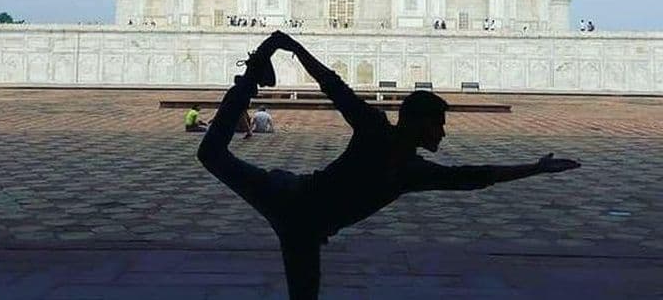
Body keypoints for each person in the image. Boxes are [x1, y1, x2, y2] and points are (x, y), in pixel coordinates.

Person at [197, 31, 581, 299]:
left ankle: (254, 72)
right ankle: (250, 79)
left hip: (304, 227)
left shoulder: (412, 172)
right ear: (417, 122)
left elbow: (473, 177)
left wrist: (534, 167)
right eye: (438, 126)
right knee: (210, 154)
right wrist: (292, 47)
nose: (443, 135)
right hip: (289, 198)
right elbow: (334, 87)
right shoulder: (375, 131)